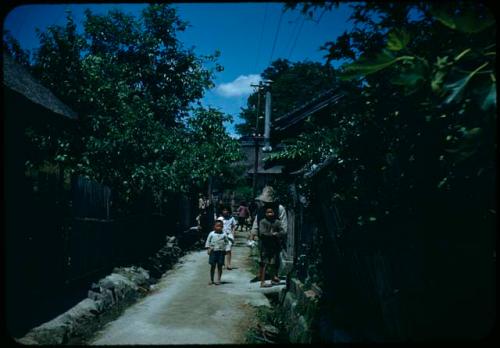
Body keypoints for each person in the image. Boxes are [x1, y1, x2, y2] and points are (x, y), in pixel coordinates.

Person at [258, 207, 285, 287]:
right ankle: (262, 282)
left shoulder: (277, 222)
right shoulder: (263, 221)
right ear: (265, 213)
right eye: (268, 212)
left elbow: (283, 232)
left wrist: (278, 234)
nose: (270, 214)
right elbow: (262, 233)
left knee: (273, 263)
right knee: (264, 263)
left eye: (271, 212)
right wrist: (272, 234)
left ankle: (273, 278)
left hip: (274, 246)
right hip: (265, 246)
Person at [205, 220, 229, 285]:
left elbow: (227, 243)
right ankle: (211, 279)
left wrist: (227, 250)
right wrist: (208, 248)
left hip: (221, 252)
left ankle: (218, 279)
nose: (219, 227)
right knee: (212, 266)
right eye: (217, 226)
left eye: (220, 226)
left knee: (220, 266)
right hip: (213, 251)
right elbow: (208, 241)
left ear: (222, 227)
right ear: (214, 227)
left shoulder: (224, 234)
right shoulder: (211, 234)